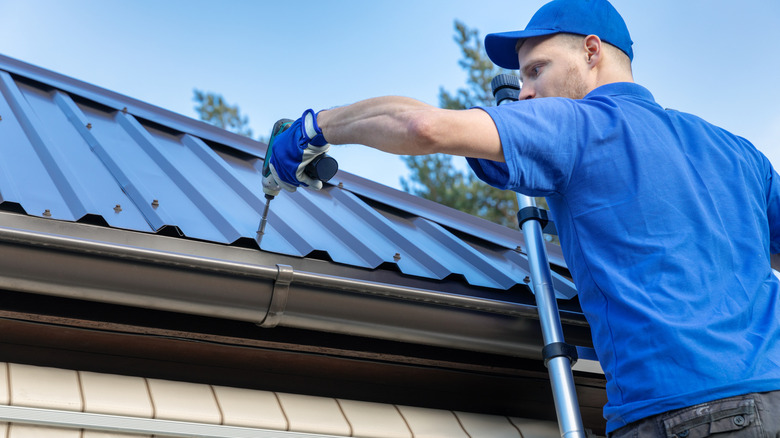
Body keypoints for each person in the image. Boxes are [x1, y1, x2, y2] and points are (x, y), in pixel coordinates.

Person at [263, 0, 780, 435]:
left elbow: (421, 126)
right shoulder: (737, 152)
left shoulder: (579, 125)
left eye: (537, 70)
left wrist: (314, 127)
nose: (526, 91)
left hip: (683, 412)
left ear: (591, 51)